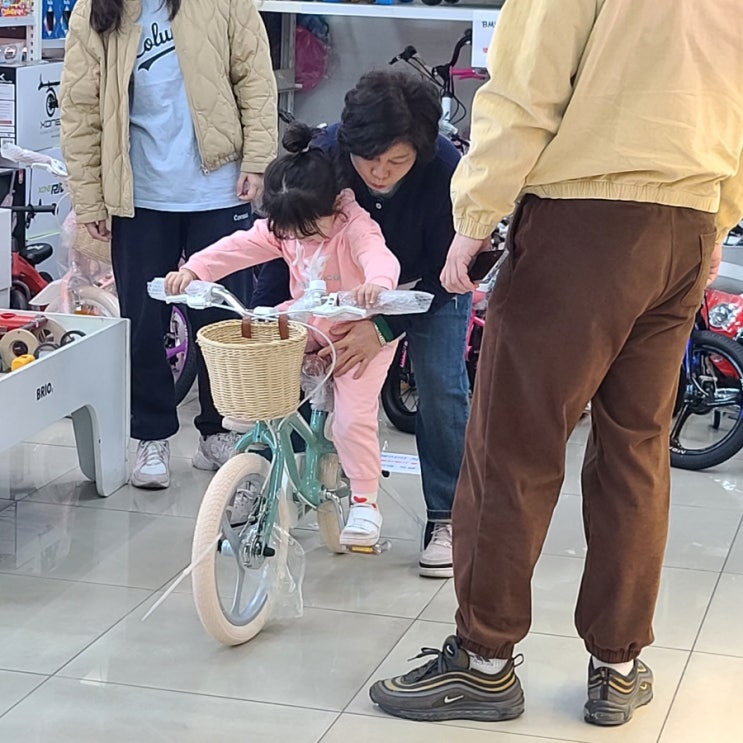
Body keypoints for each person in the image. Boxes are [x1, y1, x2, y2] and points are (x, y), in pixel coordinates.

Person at [369, 0, 742, 727]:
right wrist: (718, 216)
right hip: (690, 220)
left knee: (514, 444)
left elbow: (523, 90)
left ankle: (483, 662)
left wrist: (473, 216)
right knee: (636, 450)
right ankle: (618, 666)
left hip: (586, 223)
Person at [254, 70, 471, 577]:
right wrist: (269, 316)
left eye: (397, 161)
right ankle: (271, 483)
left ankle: (448, 517)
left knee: (440, 386)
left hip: (428, 282)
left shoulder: (445, 169)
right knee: (285, 366)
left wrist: (383, 329)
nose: (379, 172)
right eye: (369, 159)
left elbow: (452, 272)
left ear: (420, 150)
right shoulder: (324, 157)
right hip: (340, 286)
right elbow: (287, 241)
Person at [60, 0, 277, 489]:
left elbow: (255, 76)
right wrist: (90, 198)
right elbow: (79, 108)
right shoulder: (95, 10)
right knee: (143, 321)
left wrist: (258, 160)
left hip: (220, 188)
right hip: (139, 195)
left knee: (223, 320)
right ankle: (151, 434)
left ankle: (220, 431)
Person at [165, 122, 401, 547]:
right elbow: (237, 247)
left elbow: (377, 255)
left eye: (307, 232)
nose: (296, 240)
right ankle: (256, 424)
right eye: (287, 231)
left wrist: (377, 285)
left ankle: (365, 501)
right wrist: (195, 270)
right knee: (259, 332)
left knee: (351, 419)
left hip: (357, 331)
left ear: (335, 206)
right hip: (308, 320)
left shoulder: (353, 225)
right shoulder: (286, 227)